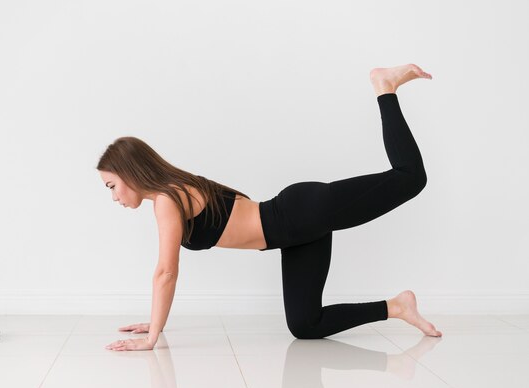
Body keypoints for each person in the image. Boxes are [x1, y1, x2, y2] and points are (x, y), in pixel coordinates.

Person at [99, 63, 443, 352]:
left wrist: (153, 334)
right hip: (295, 235)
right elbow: (166, 274)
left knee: (410, 178)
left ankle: (384, 87)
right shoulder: (172, 193)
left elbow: (165, 272)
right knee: (305, 324)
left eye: (112, 186)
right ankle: (398, 306)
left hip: (303, 212)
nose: (113, 197)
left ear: (131, 173)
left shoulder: (166, 200)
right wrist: (155, 320)